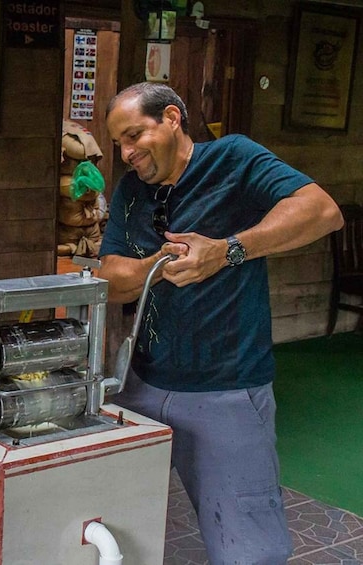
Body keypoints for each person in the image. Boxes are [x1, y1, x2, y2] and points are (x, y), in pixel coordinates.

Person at [99, 82, 343, 564]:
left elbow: (322, 211)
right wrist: (158, 263)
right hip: (142, 383)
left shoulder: (233, 158)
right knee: (117, 530)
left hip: (226, 388)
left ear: (171, 118)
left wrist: (227, 250)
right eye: (119, 144)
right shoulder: (131, 190)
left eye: (133, 136)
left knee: (247, 547)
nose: (126, 153)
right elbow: (110, 277)